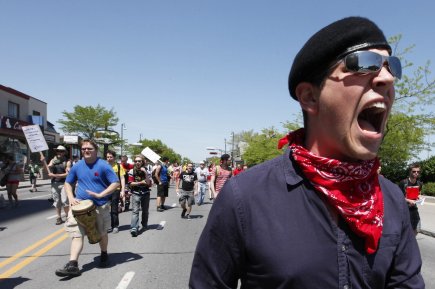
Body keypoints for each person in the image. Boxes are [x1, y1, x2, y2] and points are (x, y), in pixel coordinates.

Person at [190, 17, 424, 288]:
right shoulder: (244, 198)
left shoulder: (392, 199)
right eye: (364, 63)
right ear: (310, 97)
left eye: (391, 66)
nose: (387, 77)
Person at [55, 139, 119, 278]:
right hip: (79, 206)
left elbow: (115, 183)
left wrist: (101, 194)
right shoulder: (77, 166)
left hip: (99, 206)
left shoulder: (104, 165)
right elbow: (68, 183)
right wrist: (71, 198)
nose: (86, 151)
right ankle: (73, 264)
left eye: (89, 148)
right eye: (83, 149)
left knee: (102, 233)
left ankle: (104, 254)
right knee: (76, 234)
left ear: (96, 150)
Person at [41, 145, 71, 225]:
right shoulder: (53, 160)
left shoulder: (67, 161)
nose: (59, 153)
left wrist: (54, 175)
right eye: (58, 151)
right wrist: (43, 162)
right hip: (55, 183)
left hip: (64, 183)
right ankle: (58, 217)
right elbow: (46, 169)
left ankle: (68, 217)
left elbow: (67, 174)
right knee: (57, 201)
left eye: (61, 151)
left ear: (64, 153)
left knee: (65, 201)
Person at [128, 155, 152, 237]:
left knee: (145, 211)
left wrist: (145, 172)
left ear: (142, 162)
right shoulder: (132, 171)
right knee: (135, 211)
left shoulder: (147, 171)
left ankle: (144, 224)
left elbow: (149, 183)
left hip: (145, 193)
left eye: (139, 161)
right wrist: (141, 182)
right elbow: (131, 183)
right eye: (136, 161)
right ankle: (134, 228)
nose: (137, 163)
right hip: (136, 193)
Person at [399, 163, 423, 236]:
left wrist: (420, 197)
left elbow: (418, 193)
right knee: (404, 230)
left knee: (417, 229)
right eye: (414, 171)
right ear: (410, 171)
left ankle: (410, 243)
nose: (416, 173)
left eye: (418, 172)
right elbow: (399, 197)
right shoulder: (403, 183)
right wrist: (408, 200)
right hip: (404, 210)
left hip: (414, 209)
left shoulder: (419, 183)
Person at [106, 150, 125, 233]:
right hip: (105, 191)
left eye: (111, 157)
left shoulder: (118, 166)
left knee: (114, 209)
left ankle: (115, 226)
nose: (109, 159)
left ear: (114, 158)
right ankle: (108, 225)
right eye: (107, 157)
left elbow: (122, 178)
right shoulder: (103, 166)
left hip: (115, 190)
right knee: (105, 210)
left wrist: (122, 190)